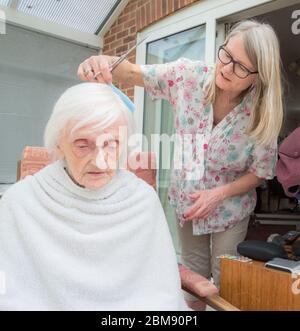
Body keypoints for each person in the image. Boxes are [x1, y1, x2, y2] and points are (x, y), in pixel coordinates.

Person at [77, 20, 283, 310]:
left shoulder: (262, 115)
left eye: (240, 67)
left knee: (227, 279)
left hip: (230, 210)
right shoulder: (189, 77)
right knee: (192, 275)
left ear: (258, 77)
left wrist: (218, 194)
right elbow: (133, 72)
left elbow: (261, 172)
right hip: (186, 203)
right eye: (226, 55)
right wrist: (101, 62)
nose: (225, 68)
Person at [0, 83, 189, 311]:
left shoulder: (142, 200)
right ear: (59, 144)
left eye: (111, 144)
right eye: (83, 145)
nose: (100, 160)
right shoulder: (20, 202)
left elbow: (160, 294)